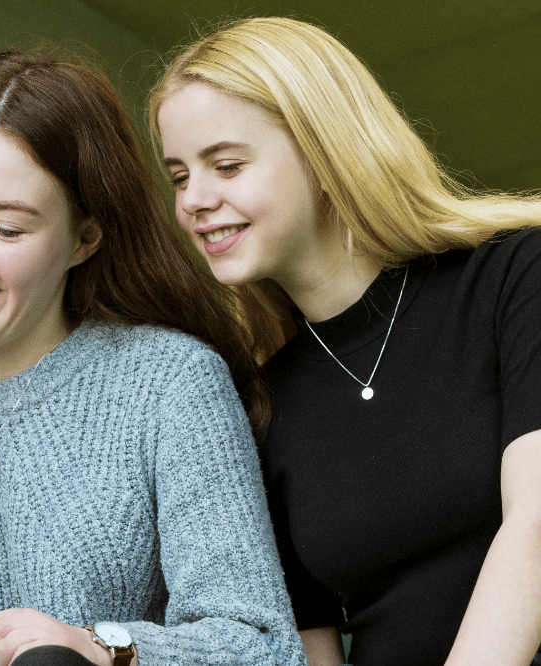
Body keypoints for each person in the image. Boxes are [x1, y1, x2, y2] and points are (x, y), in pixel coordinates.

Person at [0, 49, 306, 666]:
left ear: (84, 239)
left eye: (7, 228)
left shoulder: (171, 385)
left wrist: (99, 647)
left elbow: (263, 646)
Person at [151, 16, 541, 666]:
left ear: (325, 153)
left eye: (226, 165)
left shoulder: (514, 277)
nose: (193, 199)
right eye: (179, 176)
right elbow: (308, 643)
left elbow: (536, 523)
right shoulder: (258, 406)